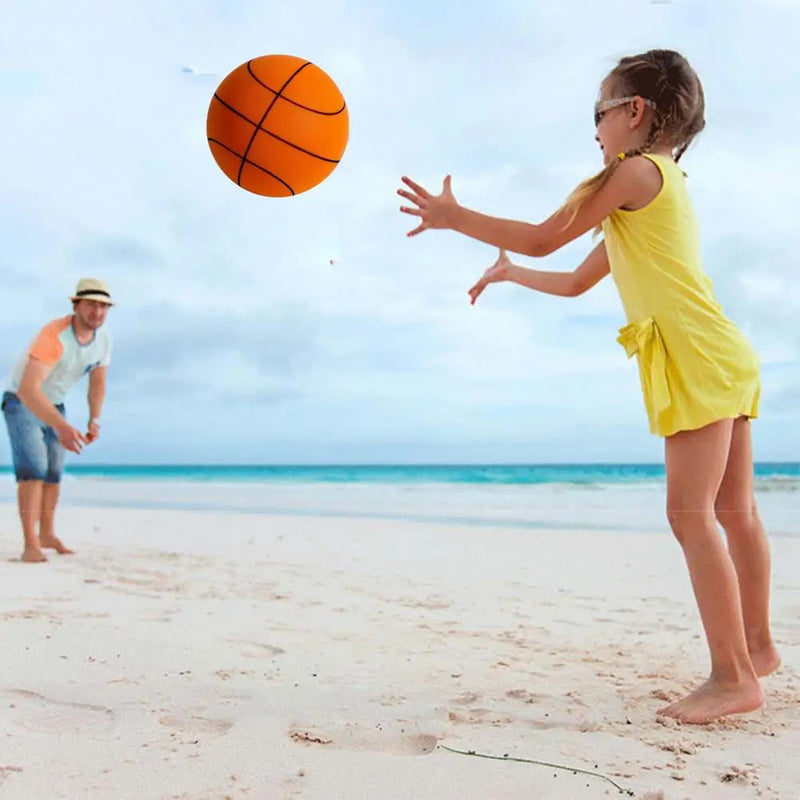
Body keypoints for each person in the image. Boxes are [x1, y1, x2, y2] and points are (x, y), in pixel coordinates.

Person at [396, 49, 779, 725]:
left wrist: (457, 217)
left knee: (690, 515)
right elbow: (573, 277)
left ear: (634, 113)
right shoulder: (657, 186)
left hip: (696, 356)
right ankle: (757, 647)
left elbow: (547, 237)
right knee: (732, 512)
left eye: (597, 114)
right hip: (723, 353)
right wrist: (510, 275)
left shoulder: (633, 173)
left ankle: (732, 676)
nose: (596, 131)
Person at [2, 278, 113, 563]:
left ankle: (47, 534)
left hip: (54, 404)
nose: (97, 312)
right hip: (21, 400)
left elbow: (97, 383)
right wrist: (63, 427)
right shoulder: (54, 336)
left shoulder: (103, 341)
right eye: (91, 304)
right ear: (76, 305)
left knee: (53, 472)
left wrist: (94, 419)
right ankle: (30, 546)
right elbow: (28, 388)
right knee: (33, 470)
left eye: (103, 307)